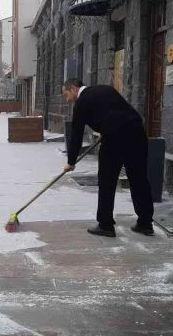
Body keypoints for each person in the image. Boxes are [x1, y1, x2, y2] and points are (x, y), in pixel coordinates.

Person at [62, 78, 155, 237]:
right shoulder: (105, 89)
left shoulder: (81, 103)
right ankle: (145, 223)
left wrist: (71, 162)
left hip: (114, 139)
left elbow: (76, 135)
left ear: (73, 88)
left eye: (66, 95)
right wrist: (104, 131)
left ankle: (105, 225)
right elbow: (116, 112)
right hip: (136, 132)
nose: (67, 99)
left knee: (107, 180)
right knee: (139, 178)